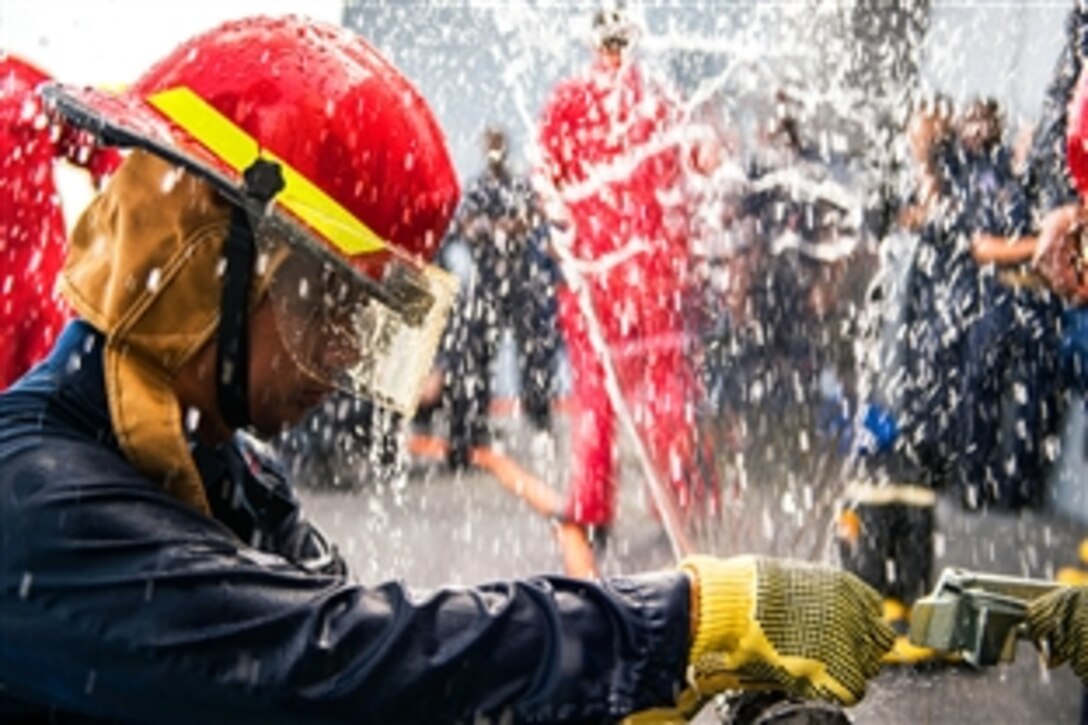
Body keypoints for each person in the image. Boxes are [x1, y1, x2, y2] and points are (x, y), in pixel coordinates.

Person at [0, 16, 894, 722]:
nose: (347, 354)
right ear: (205, 255)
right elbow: (325, 665)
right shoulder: (33, 500)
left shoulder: (226, 471)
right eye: (329, 304)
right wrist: (681, 623)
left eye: (367, 318)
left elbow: (400, 674)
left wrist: (619, 683)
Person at [537, 4, 718, 543]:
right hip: (659, 277)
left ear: (595, 40)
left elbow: (547, 181)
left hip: (597, 276)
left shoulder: (569, 99)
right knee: (667, 393)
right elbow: (700, 170)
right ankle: (679, 504)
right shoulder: (658, 99)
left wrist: (569, 242)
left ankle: (593, 512)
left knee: (596, 395)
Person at [432, 126, 560, 470]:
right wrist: (488, 228)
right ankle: (467, 432)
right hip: (488, 283)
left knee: (533, 356)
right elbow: (460, 228)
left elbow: (534, 220)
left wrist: (501, 228)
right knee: (473, 358)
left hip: (518, 283)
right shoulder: (478, 188)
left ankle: (539, 420)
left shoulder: (517, 185)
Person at [0, 52, 121, 389]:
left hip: (37, 288)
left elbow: (96, 151)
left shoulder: (25, 85)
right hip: (28, 284)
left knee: (47, 393)